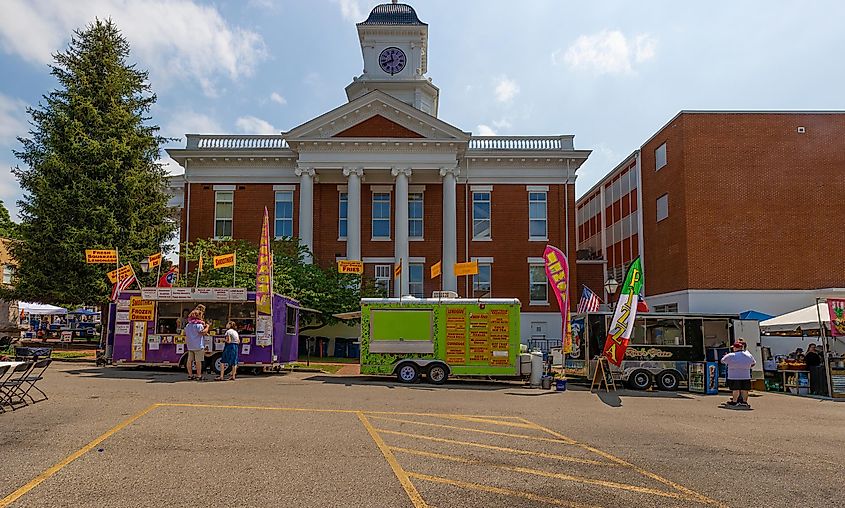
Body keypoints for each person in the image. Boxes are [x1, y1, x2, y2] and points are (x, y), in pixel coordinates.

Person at [721, 341, 756, 408]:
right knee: (745, 390)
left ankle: (734, 401)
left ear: (735, 348)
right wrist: (747, 367)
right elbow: (753, 363)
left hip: (734, 375)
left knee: (735, 389)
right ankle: (744, 402)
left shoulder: (731, 355)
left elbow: (722, 361)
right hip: (746, 375)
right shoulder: (748, 355)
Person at [184, 305, 209, 381]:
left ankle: (190, 375)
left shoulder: (188, 325)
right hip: (198, 345)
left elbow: (185, 333)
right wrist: (207, 326)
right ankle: (199, 376)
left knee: (189, 360)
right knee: (198, 361)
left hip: (190, 345)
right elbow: (203, 332)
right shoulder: (199, 325)